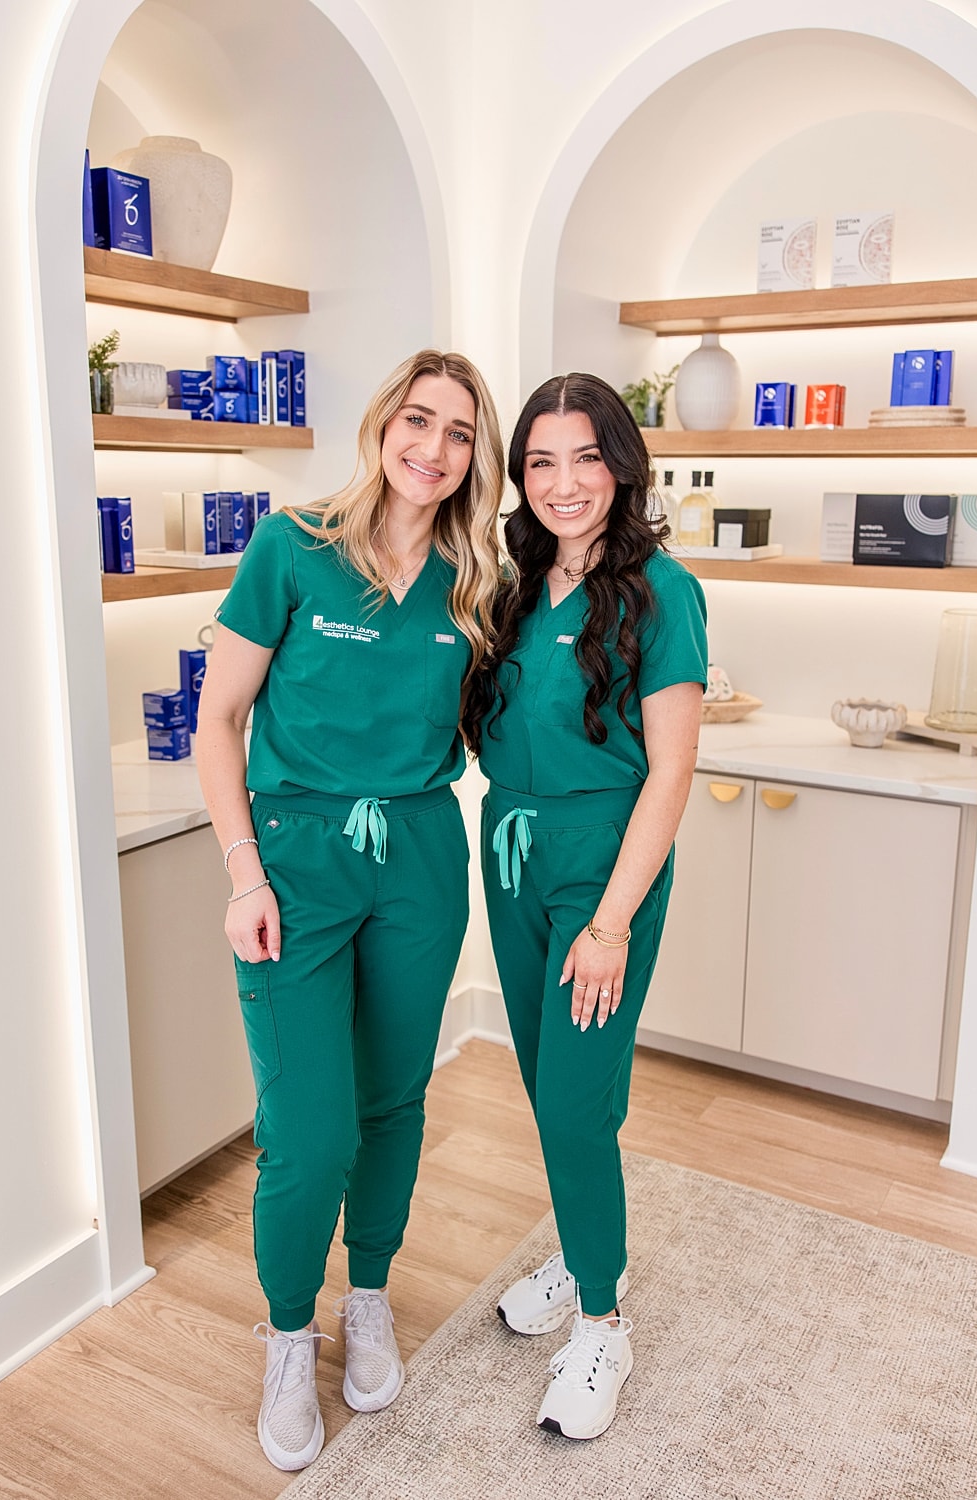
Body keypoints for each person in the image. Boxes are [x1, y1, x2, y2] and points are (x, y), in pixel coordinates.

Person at [195, 350, 504, 1472]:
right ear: (381, 428)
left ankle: (366, 1295)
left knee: (392, 1105)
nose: (432, 448)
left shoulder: (478, 580)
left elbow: (497, 725)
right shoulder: (292, 547)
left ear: (478, 456)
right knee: (308, 1130)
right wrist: (244, 874)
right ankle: (290, 1337)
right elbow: (219, 721)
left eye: (459, 433)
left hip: (419, 856)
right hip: (294, 864)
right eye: (417, 421)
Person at [462, 372, 707, 1441]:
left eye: (586, 458)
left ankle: (602, 1324)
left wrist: (609, 923)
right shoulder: (509, 581)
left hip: (605, 873)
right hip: (507, 855)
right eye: (540, 461)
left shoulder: (661, 591)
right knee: (547, 1080)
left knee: (572, 1097)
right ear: (520, 475)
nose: (563, 484)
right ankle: (578, 1247)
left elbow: (670, 772)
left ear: (621, 465)